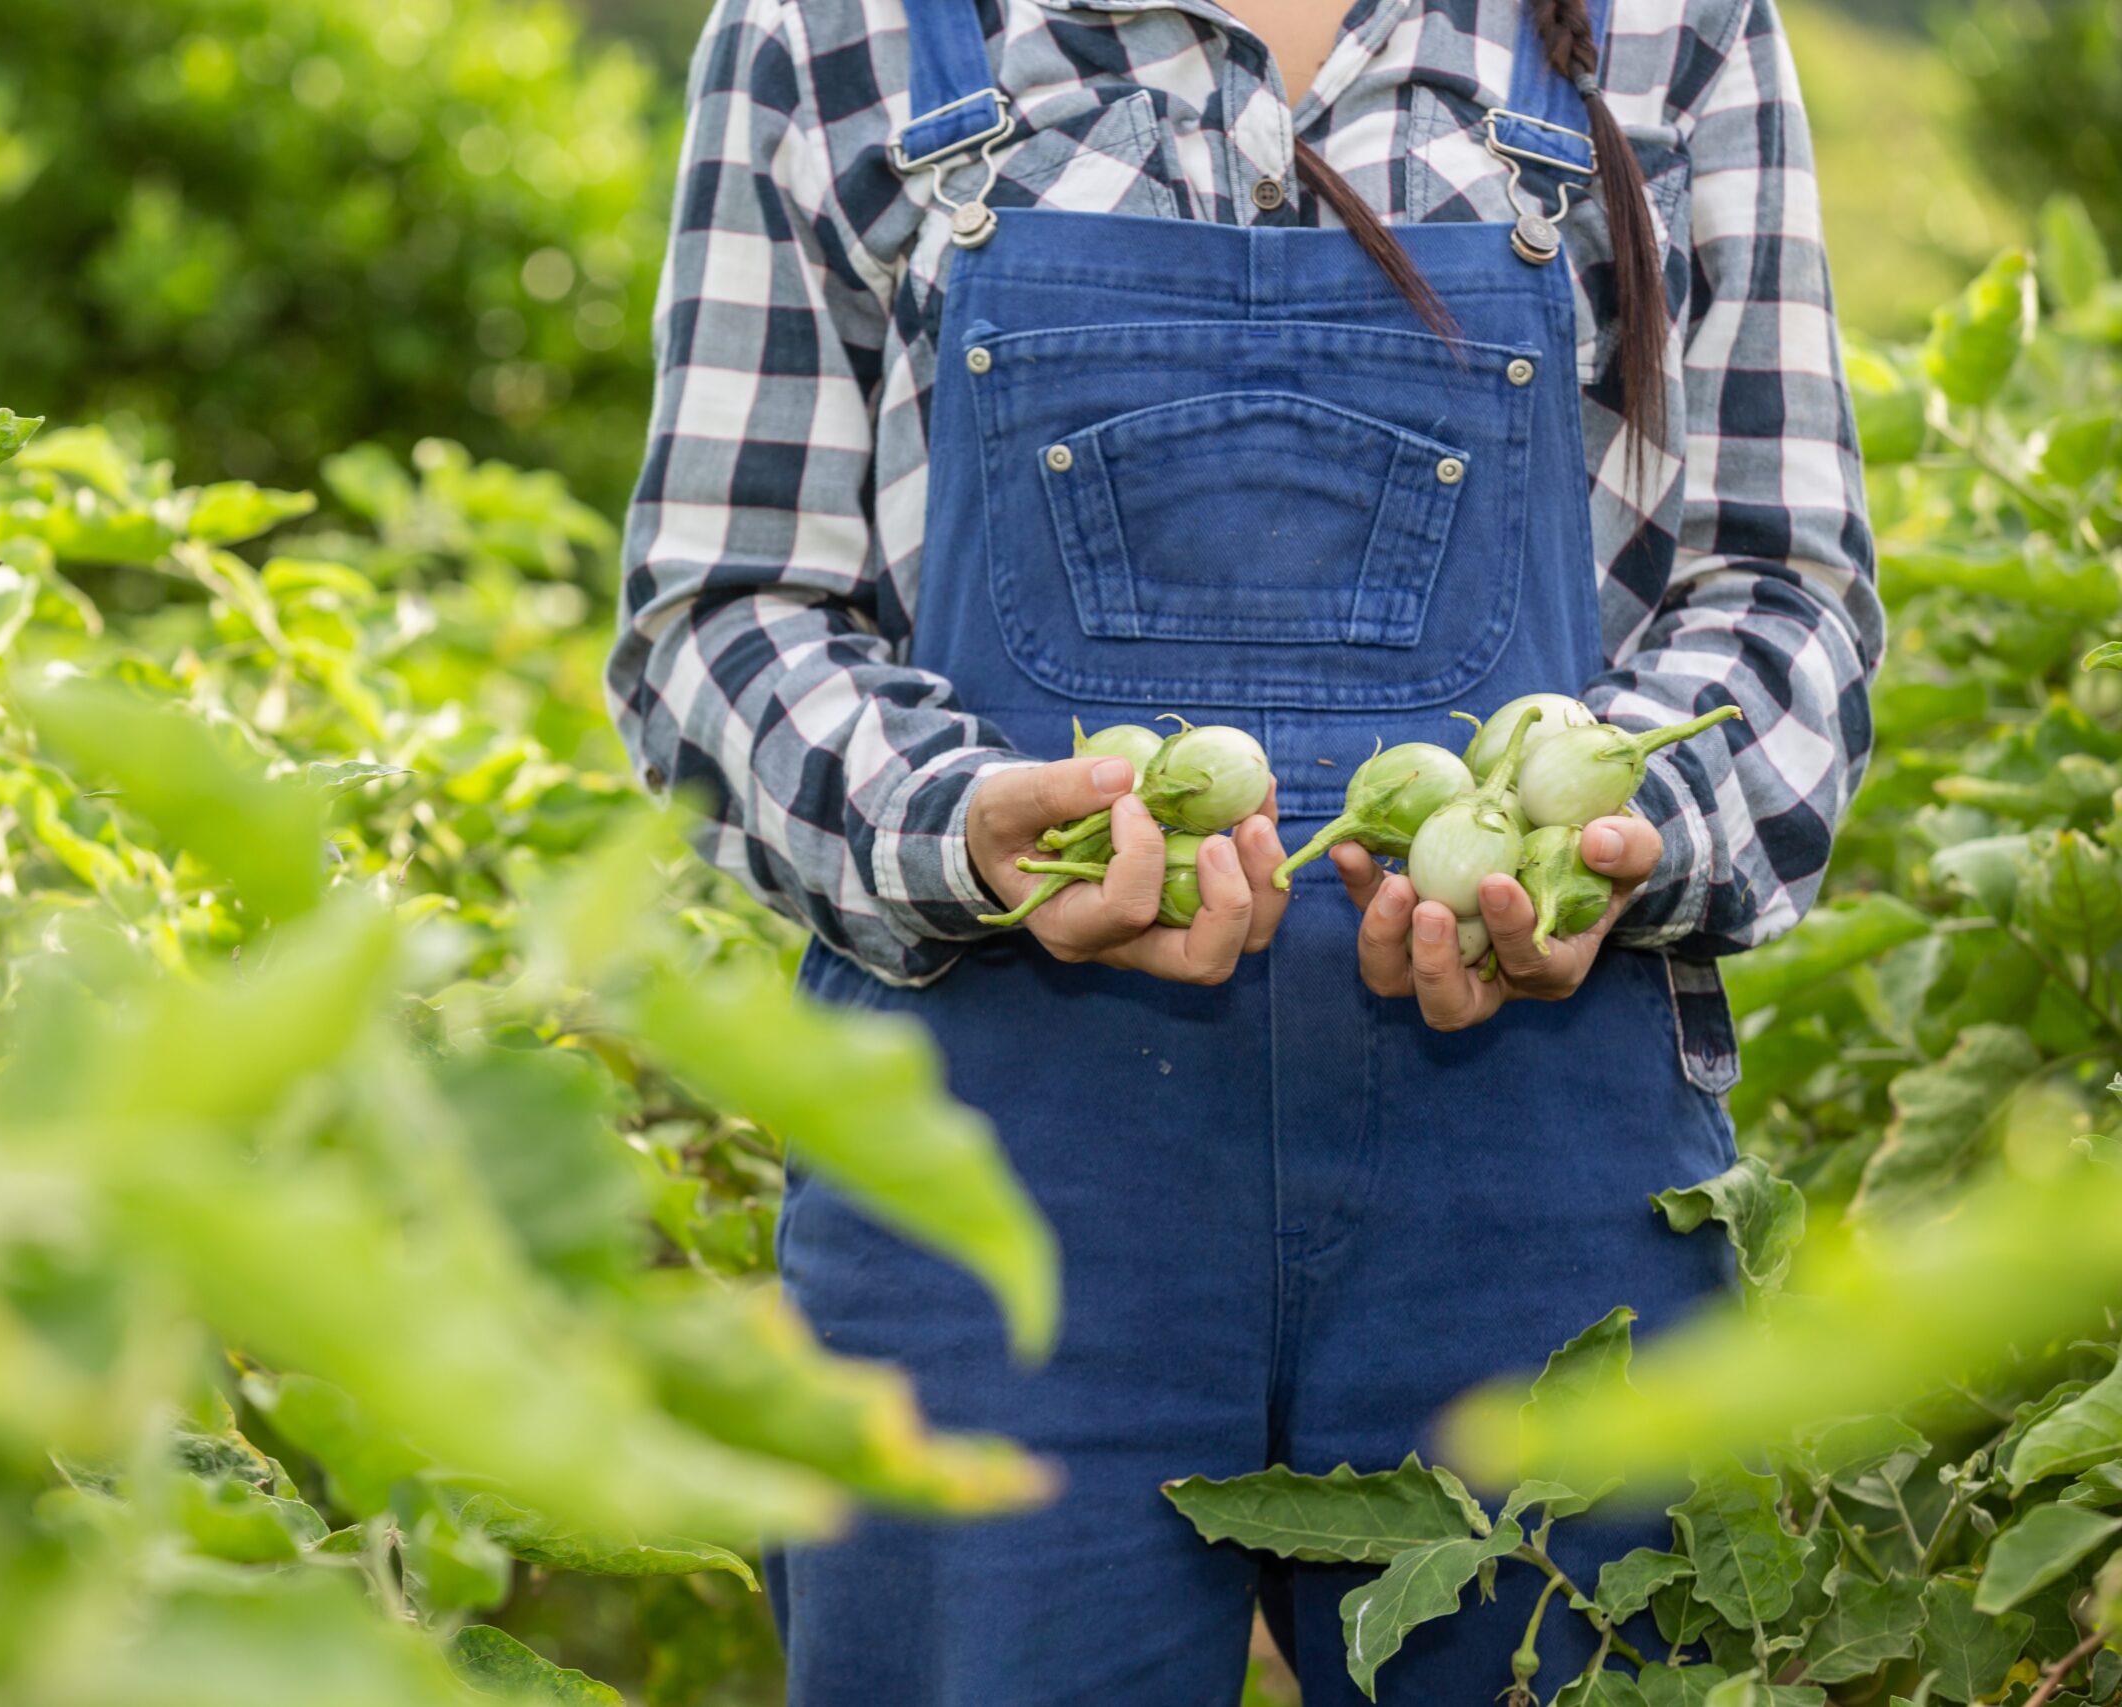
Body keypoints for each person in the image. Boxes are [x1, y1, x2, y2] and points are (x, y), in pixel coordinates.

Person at [609, 0, 1879, 1698]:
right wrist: (957, 829)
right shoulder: (832, 29)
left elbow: (1778, 592)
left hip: (1538, 1194)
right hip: (996, 1205)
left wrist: (1620, 848)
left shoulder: (1669, 25)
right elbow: (722, 611)